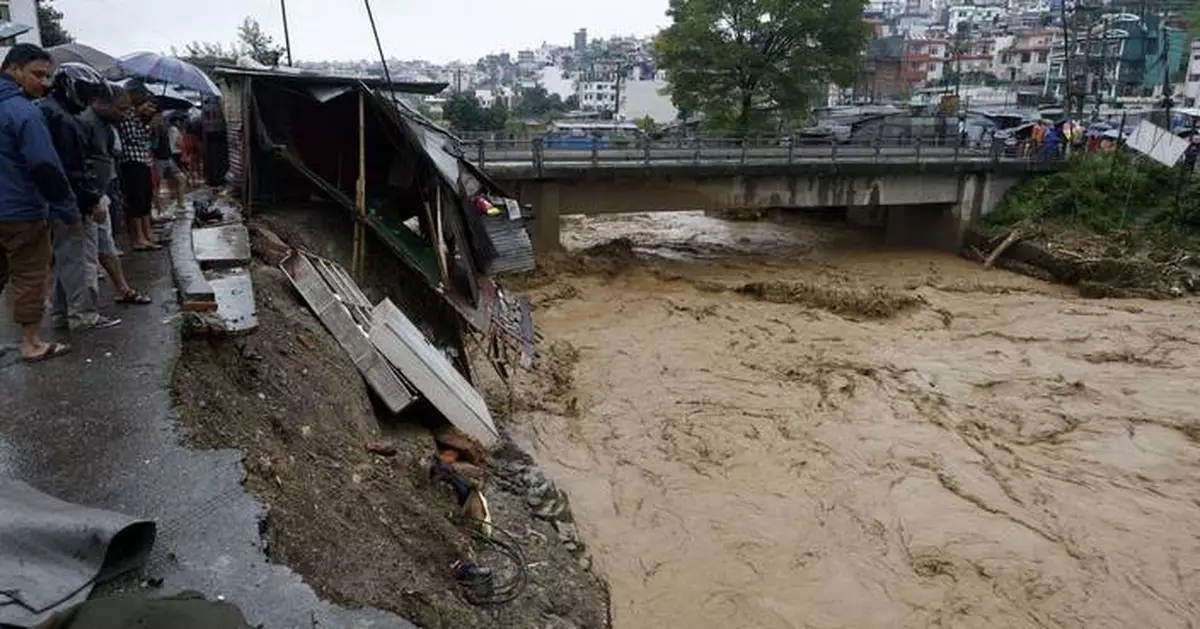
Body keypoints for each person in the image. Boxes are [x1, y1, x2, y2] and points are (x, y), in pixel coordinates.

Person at [0, 44, 75, 361]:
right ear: (14, 70)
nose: (44, 83)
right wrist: (68, 210)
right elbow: (45, 167)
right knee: (30, 275)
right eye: (38, 74)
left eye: (47, 76)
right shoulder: (25, 113)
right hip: (21, 212)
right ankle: (31, 343)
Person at [40, 62, 122, 331]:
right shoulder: (64, 120)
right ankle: (84, 315)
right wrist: (91, 199)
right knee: (81, 258)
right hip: (72, 201)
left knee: (67, 259)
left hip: (56, 201)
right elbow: (74, 168)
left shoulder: (48, 112)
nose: (89, 101)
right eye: (87, 95)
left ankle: (63, 314)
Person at [78, 86, 152, 305]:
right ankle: (82, 311)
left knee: (104, 245)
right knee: (86, 255)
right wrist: (92, 198)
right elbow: (81, 165)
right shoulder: (86, 124)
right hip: (89, 196)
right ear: (102, 103)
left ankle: (122, 289)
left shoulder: (105, 125)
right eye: (121, 109)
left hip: (100, 192)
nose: (124, 114)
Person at [116, 84, 160, 251]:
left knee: (145, 200)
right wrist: (142, 119)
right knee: (136, 201)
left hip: (143, 160)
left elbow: (146, 141)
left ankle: (147, 235)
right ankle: (138, 238)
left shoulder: (140, 118)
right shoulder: (128, 116)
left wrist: (146, 121)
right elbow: (132, 138)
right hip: (131, 161)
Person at [150, 111, 185, 215]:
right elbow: (152, 145)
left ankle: (180, 204)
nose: (160, 117)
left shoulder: (164, 128)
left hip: (168, 158)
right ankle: (160, 210)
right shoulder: (152, 129)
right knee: (157, 185)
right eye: (157, 116)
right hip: (158, 159)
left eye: (160, 115)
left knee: (181, 179)